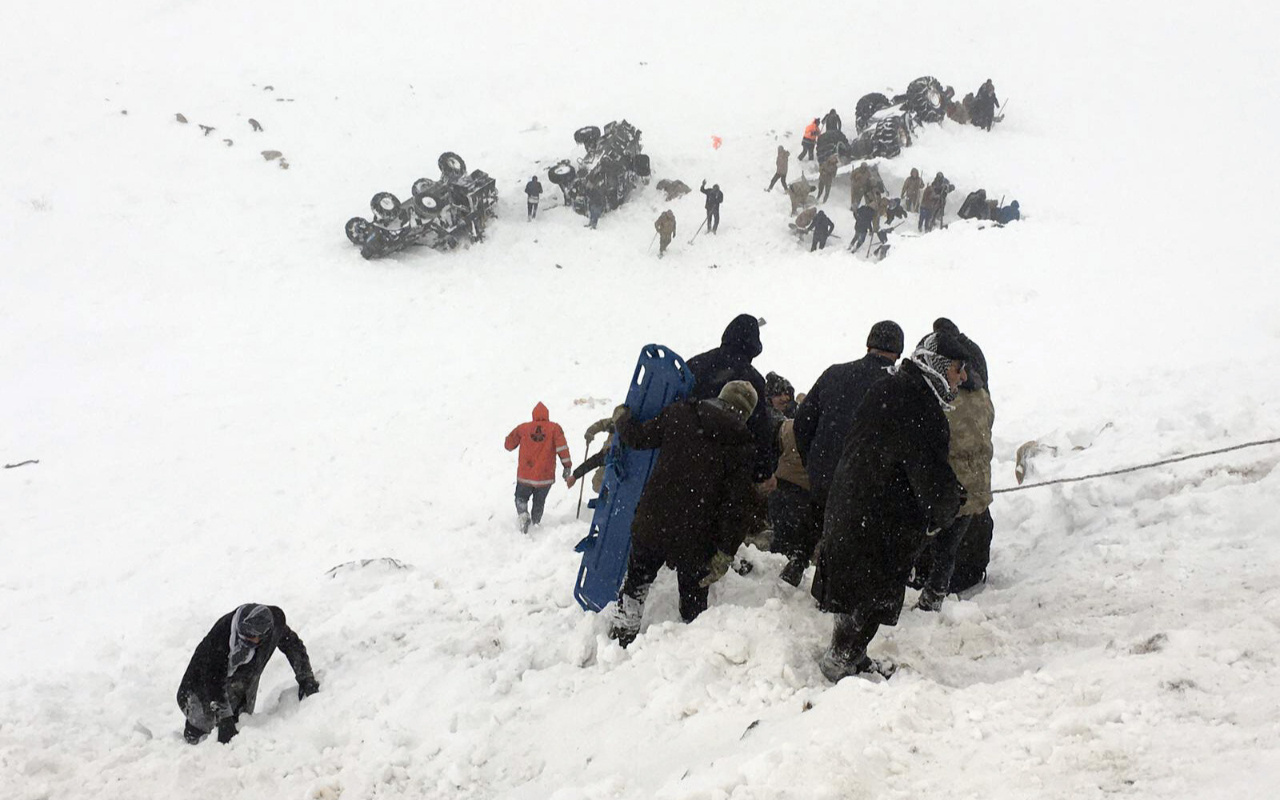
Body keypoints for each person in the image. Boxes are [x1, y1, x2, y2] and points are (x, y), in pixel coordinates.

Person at [811, 331, 968, 681]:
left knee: (854, 597)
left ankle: (852, 657)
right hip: (879, 524)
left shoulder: (890, 388)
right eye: (958, 369)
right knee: (866, 603)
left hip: (853, 507)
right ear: (939, 367)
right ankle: (839, 666)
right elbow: (928, 472)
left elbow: (898, 457)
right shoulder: (921, 408)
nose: (962, 378)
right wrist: (949, 503)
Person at [607, 382, 758, 646]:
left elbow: (640, 438)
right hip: (697, 535)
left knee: (637, 583)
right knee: (693, 598)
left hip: (654, 520)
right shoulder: (742, 444)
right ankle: (688, 651)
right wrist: (724, 552)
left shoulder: (681, 413)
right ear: (745, 413)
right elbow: (736, 507)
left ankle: (621, 637)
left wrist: (622, 420)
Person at [789, 321, 902, 586]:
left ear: (868, 345)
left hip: (825, 468)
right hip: (865, 476)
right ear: (898, 352)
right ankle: (827, 588)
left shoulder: (835, 373)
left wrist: (812, 459)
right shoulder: (896, 384)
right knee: (849, 533)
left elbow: (802, 420)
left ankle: (796, 561)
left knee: (819, 511)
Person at [915, 320, 994, 611]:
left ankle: (928, 590)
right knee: (952, 544)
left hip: (949, 489)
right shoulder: (982, 395)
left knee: (933, 538)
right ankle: (938, 591)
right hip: (976, 489)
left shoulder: (944, 400)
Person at [177, 604, 318, 744]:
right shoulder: (221, 636)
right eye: (241, 636)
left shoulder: (272, 626)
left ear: (263, 635)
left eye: (250, 638)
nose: (243, 640)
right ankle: (191, 739)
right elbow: (212, 678)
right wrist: (224, 718)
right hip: (201, 686)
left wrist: (305, 676)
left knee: (241, 724)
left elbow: (292, 644)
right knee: (203, 727)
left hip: (244, 684)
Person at [686, 314, 778, 486]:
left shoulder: (696, 363)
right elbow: (759, 429)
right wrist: (763, 472)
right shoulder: (752, 380)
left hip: (682, 452)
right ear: (753, 344)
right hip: (720, 468)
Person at [504, 402, 572, 533]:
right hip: (545, 477)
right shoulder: (555, 428)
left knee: (521, 497)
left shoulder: (523, 428)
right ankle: (536, 524)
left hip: (525, 475)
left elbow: (508, 445)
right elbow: (563, 448)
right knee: (539, 502)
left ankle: (523, 515)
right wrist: (567, 466)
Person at [566, 416, 614, 495]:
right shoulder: (609, 453)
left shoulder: (610, 453)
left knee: (597, 482)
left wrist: (575, 476)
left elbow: (595, 460)